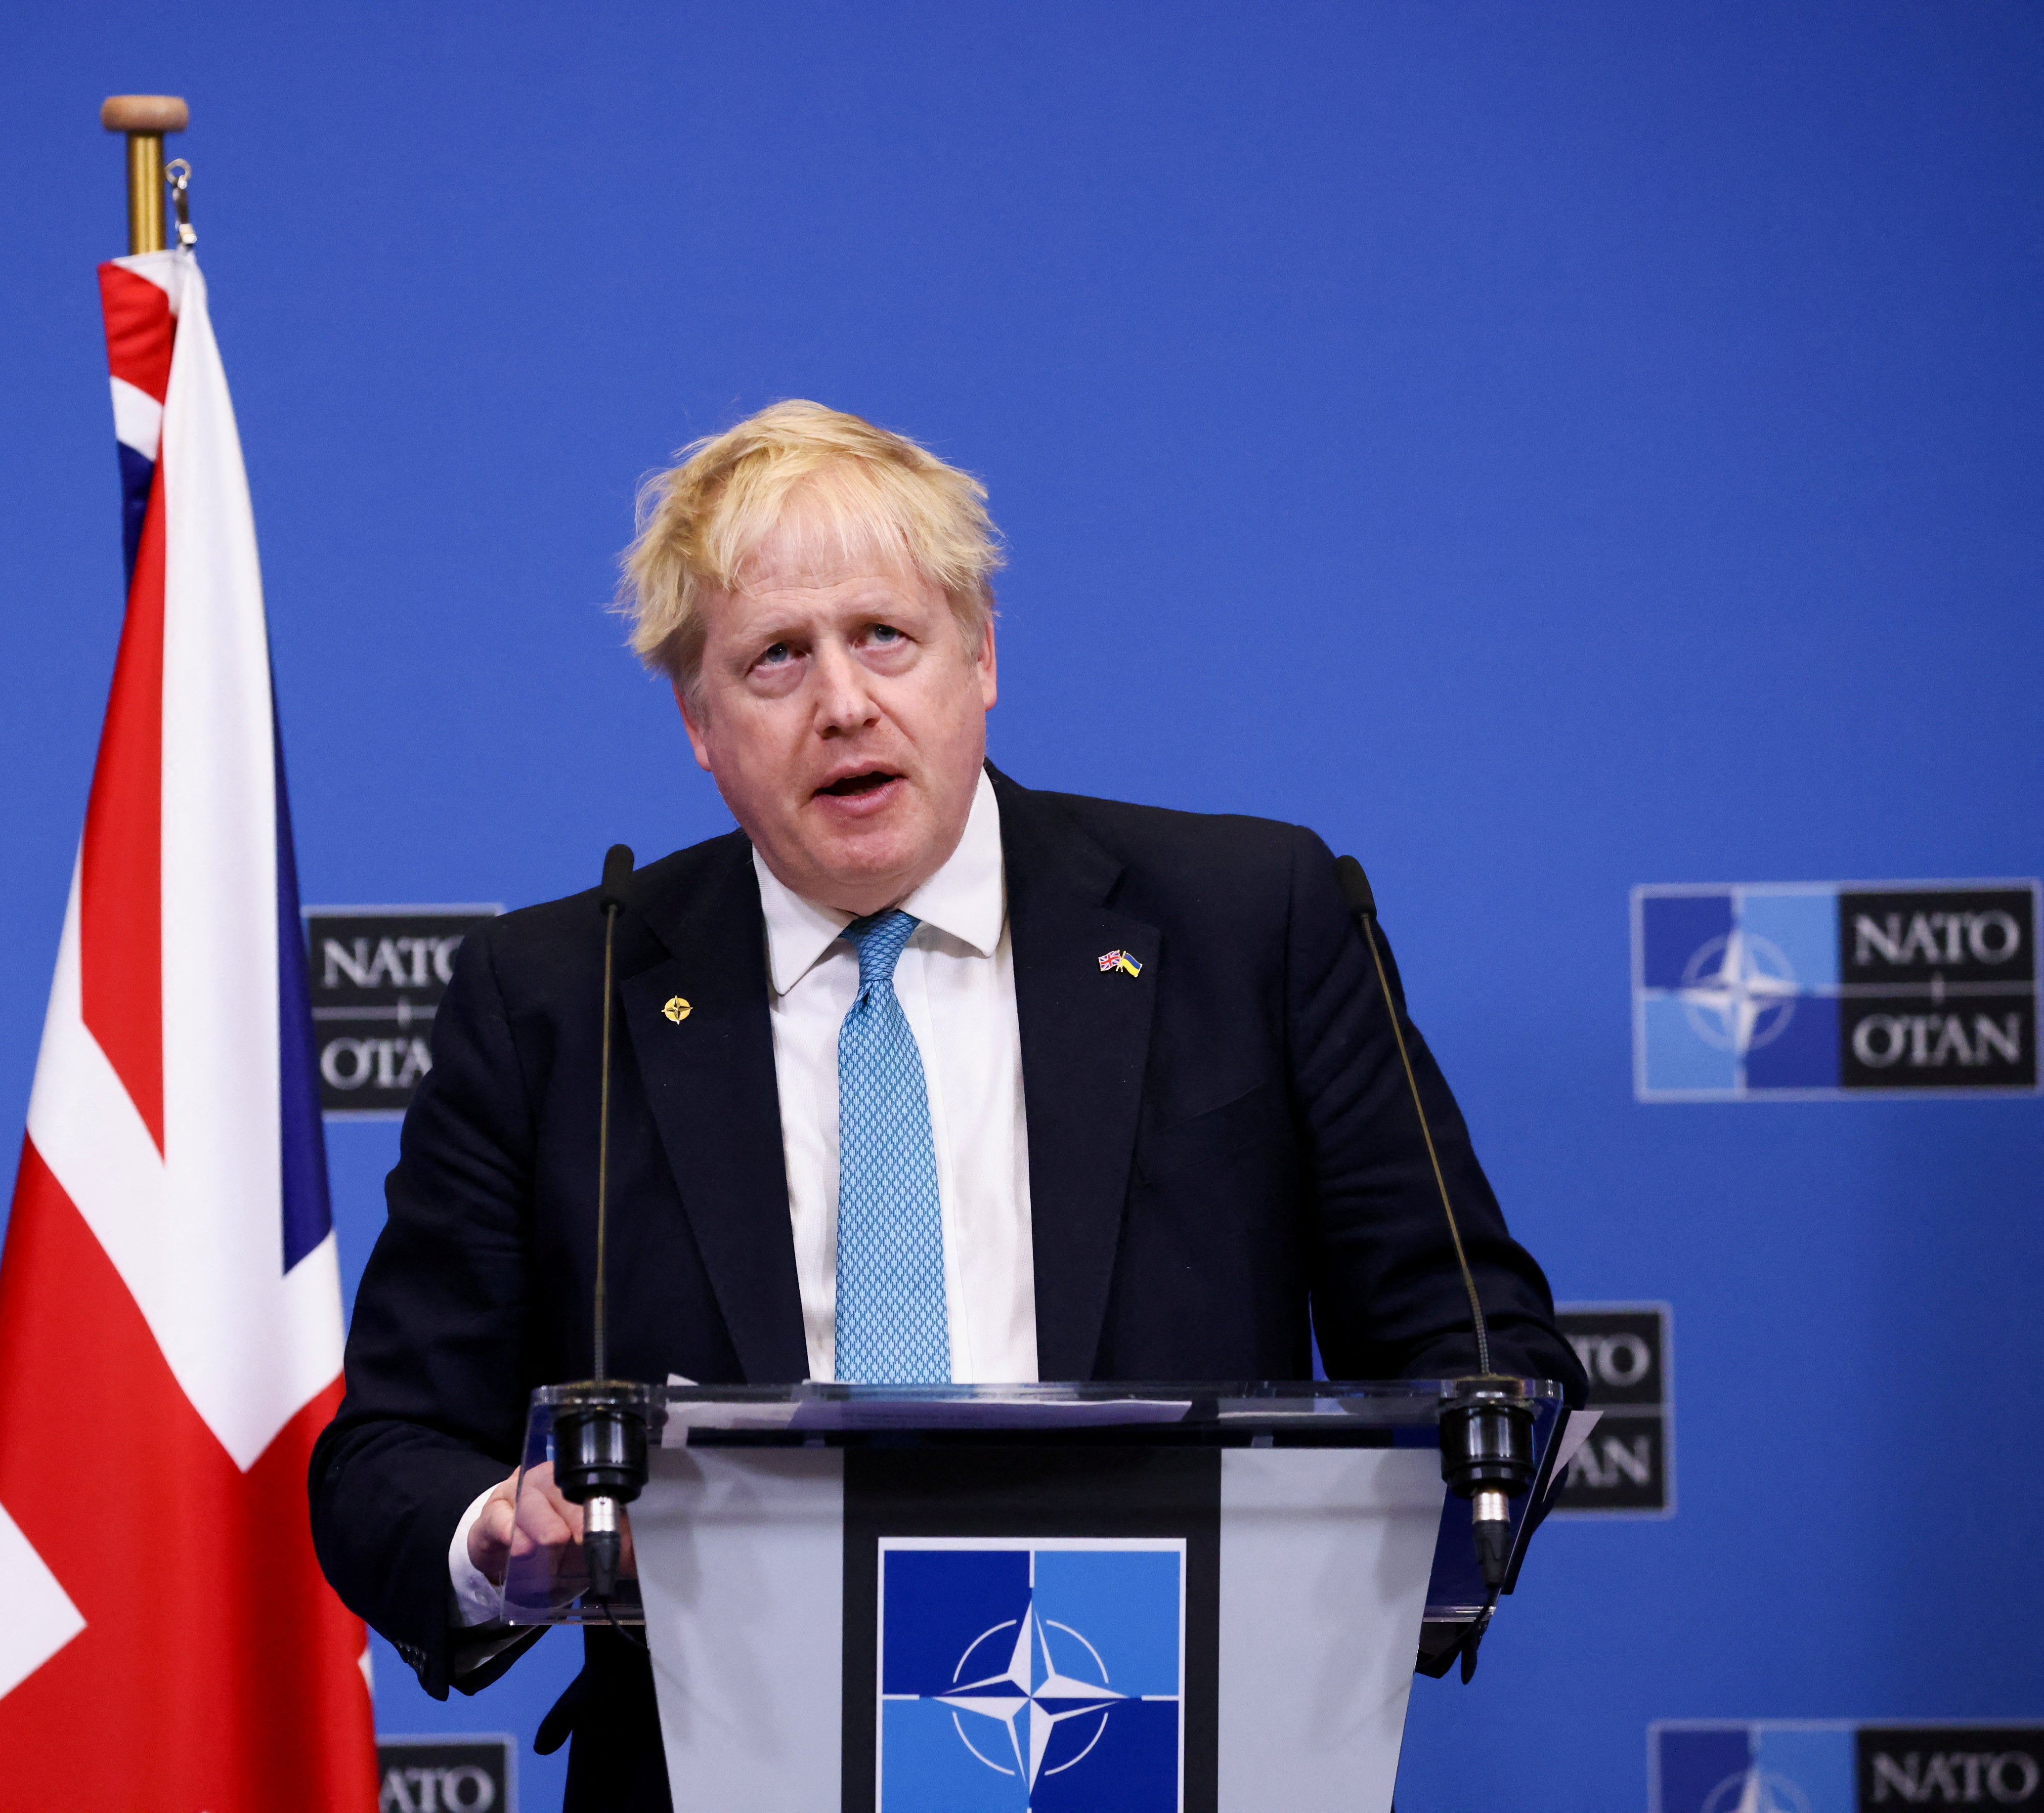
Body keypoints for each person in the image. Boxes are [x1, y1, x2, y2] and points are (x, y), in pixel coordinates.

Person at [306, 400, 1583, 1808]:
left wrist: (1425, 1505)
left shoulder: (1248, 922)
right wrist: (500, 1532)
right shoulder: (556, 995)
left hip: (1176, 1746)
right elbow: (387, 1456)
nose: (842, 701)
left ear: (980, 655)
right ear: (699, 723)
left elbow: (1476, 1344)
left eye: (884, 637)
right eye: (774, 657)